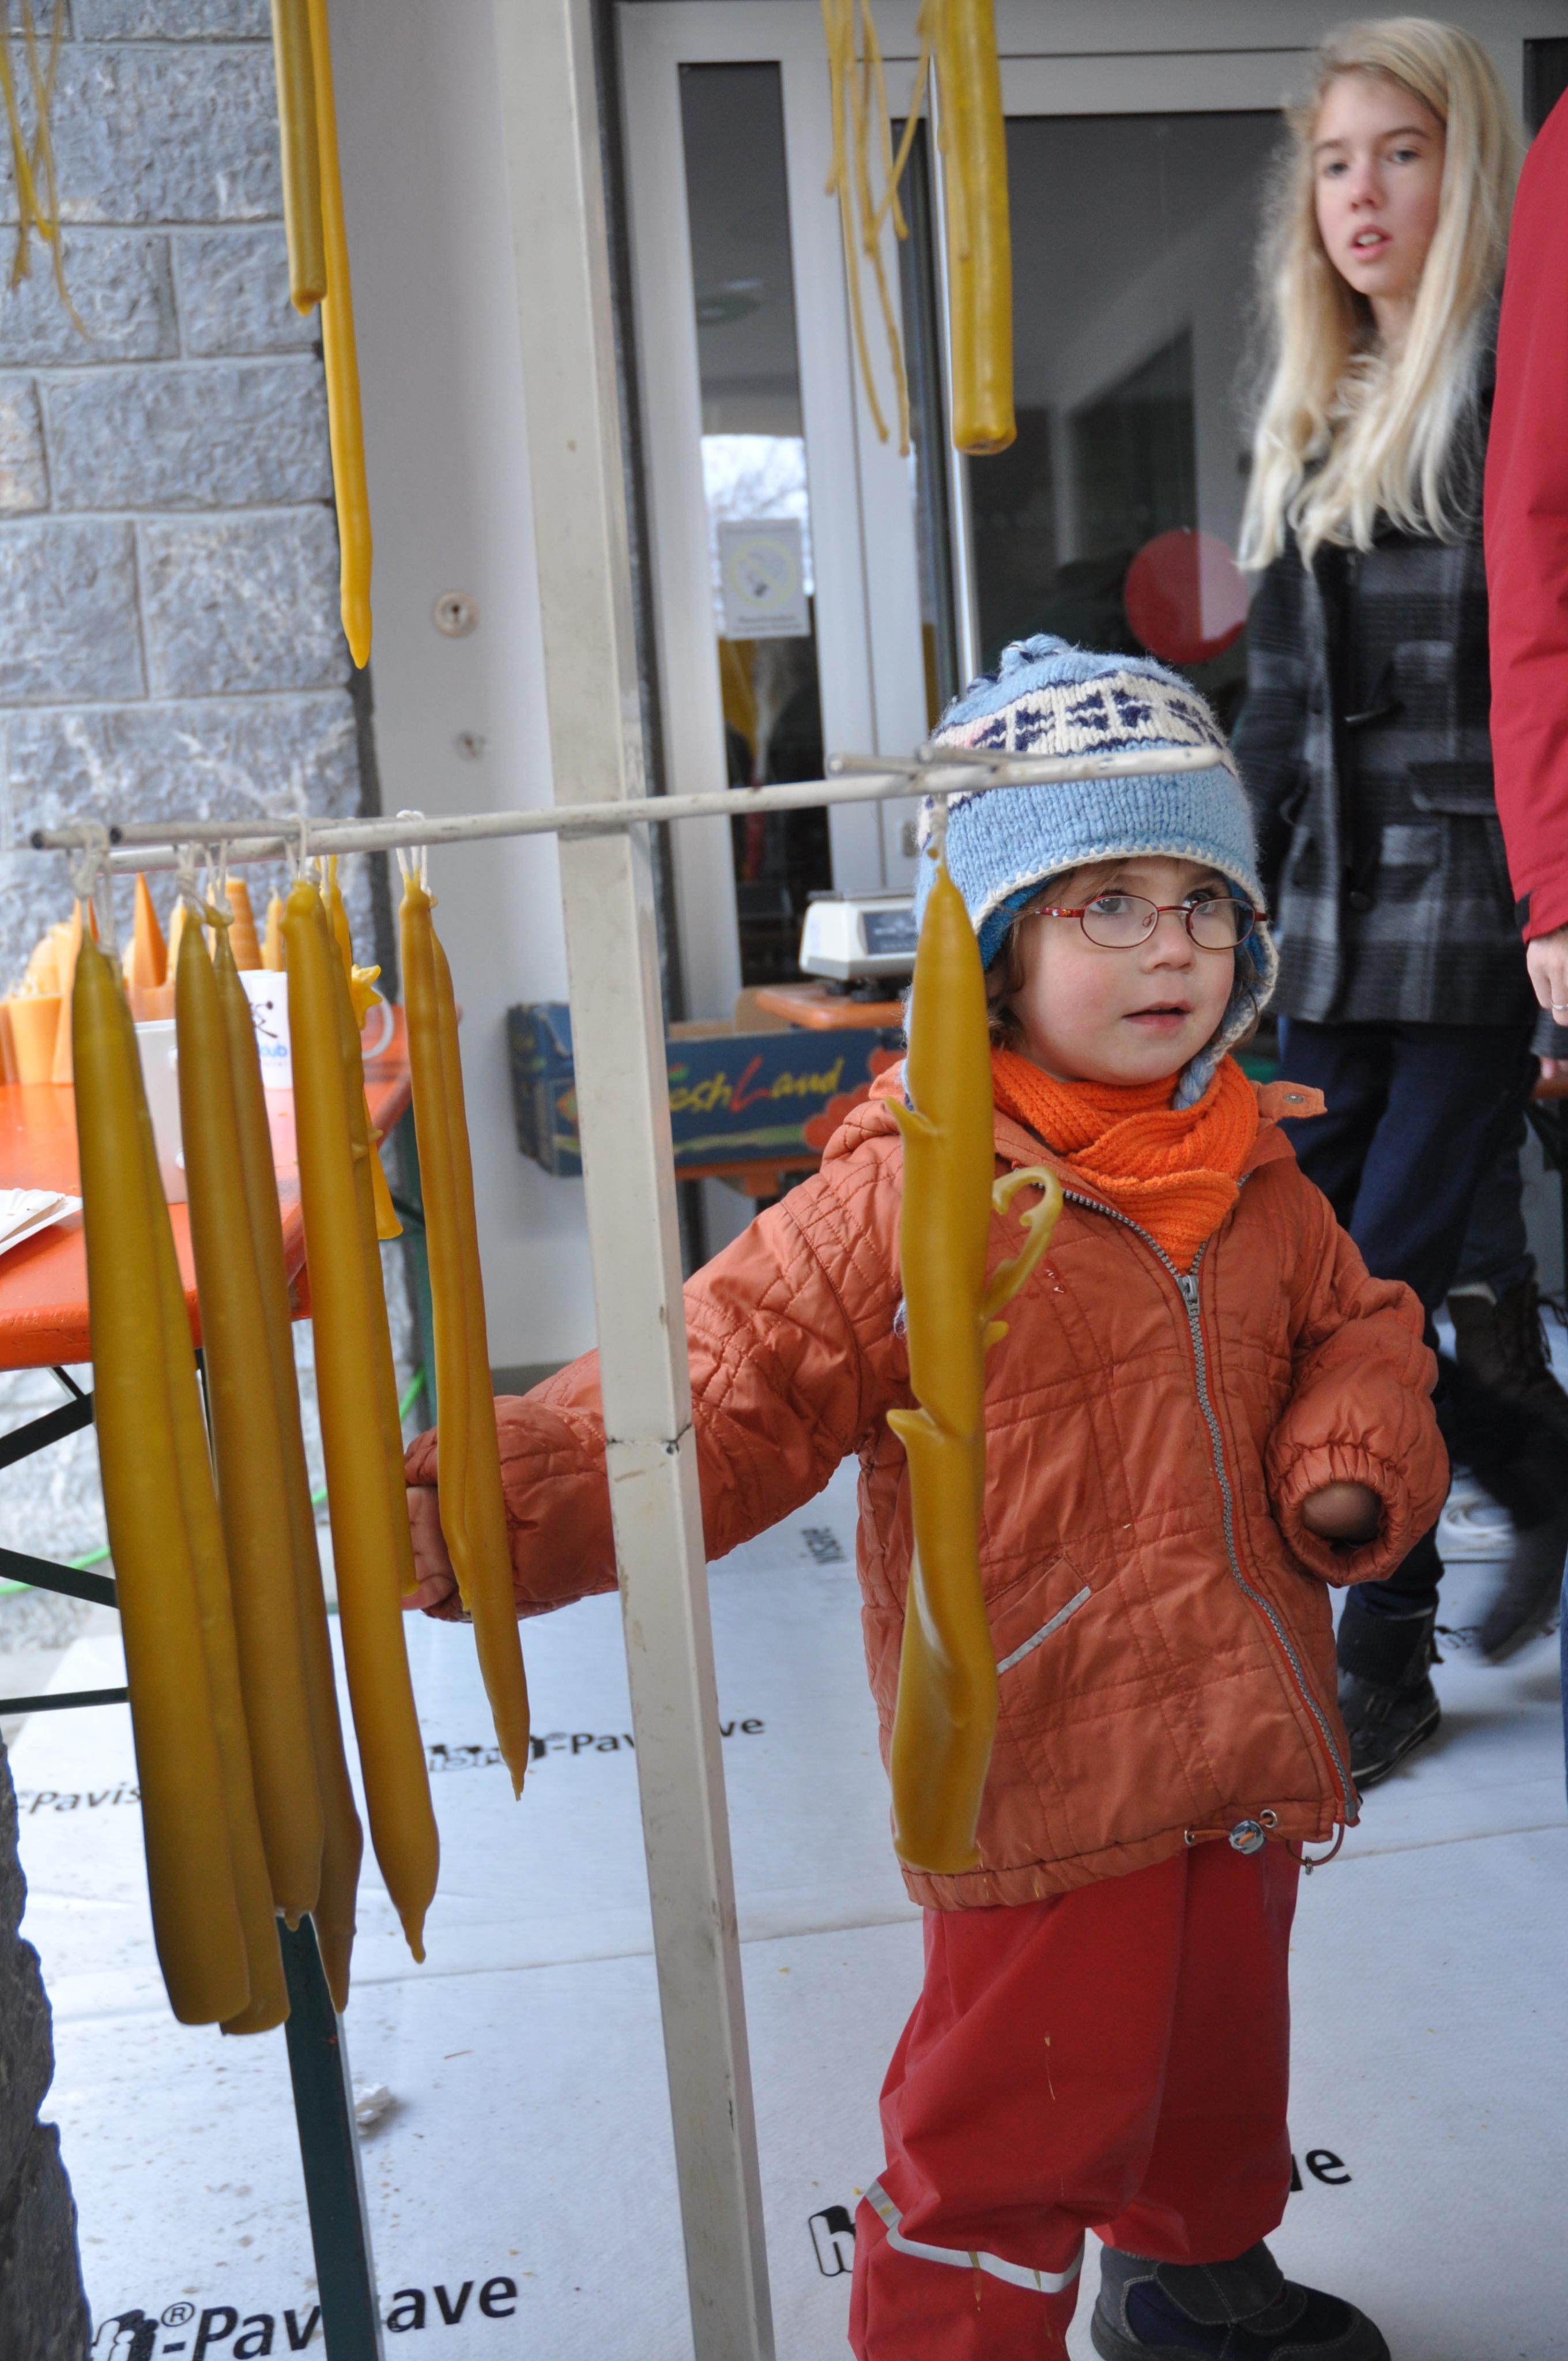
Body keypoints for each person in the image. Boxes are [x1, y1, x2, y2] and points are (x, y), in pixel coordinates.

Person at [405, 636, 1445, 2360]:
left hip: (1246, 1741)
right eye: (1107, 903)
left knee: (1217, 2058)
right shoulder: (910, 1196)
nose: (1172, 943)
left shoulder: (1257, 1170)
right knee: (1012, 2119)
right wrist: (512, 1500)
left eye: (1202, 899)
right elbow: (726, 1379)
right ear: (991, 950)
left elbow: (1366, 1333)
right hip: (1041, 1759)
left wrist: (1350, 1463)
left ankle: (1192, 2274)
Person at [1232, 18, 1562, 1777]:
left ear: (1471, 168)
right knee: (1320, 1285)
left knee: (1384, 1285)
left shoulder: (1511, 381)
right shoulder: (1312, 407)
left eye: (1403, 155)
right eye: (1337, 162)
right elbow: (1281, 705)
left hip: (1478, 919)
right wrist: (1211, 891)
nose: (1362, 195)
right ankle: (1536, 1465)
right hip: (1330, 932)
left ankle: (1386, 1646)